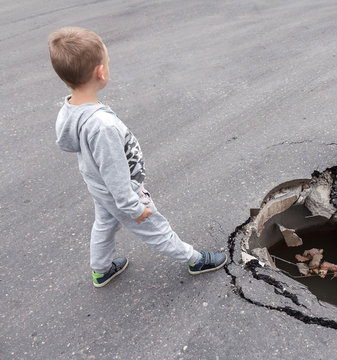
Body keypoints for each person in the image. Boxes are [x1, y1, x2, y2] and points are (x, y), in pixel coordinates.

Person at [48, 27, 227, 288]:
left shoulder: (71, 109)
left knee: (104, 225)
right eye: (107, 63)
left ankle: (101, 269)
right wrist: (133, 206)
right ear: (101, 72)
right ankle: (195, 259)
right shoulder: (102, 126)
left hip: (99, 188)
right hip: (122, 193)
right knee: (155, 227)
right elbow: (114, 173)